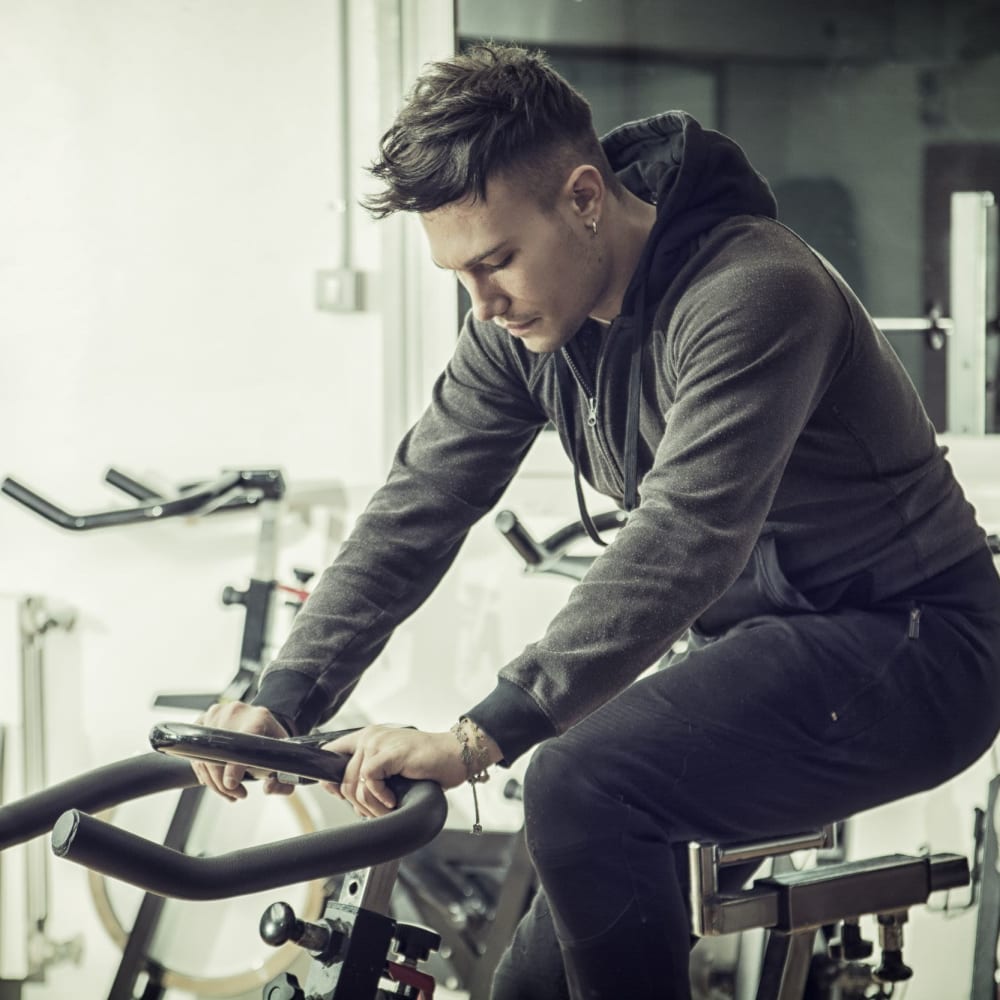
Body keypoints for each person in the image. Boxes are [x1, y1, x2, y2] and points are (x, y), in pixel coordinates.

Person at [193, 43, 1000, 999]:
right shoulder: (522, 332)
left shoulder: (754, 291)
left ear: (583, 198)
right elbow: (421, 503)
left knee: (580, 779)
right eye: (459, 275)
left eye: (496, 262)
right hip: (755, 653)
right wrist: (285, 692)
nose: (483, 303)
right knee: (534, 977)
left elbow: (683, 541)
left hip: (918, 648)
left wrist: (476, 736)